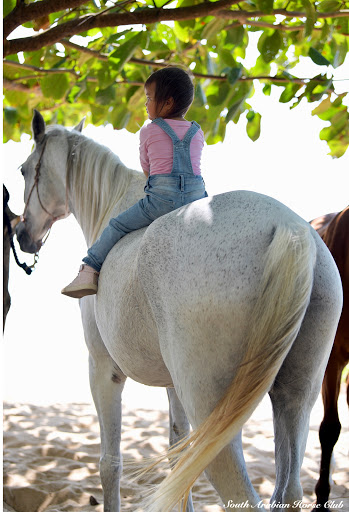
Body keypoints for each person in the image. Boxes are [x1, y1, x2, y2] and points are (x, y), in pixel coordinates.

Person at [61, 66, 207, 299]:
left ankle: (89, 270)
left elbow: (147, 169)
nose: (146, 104)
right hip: (196, 200)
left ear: (167, 103)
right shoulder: (197, 132)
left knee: (117, 225)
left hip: (161, 200)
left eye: (149, 98)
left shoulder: (149, 131)